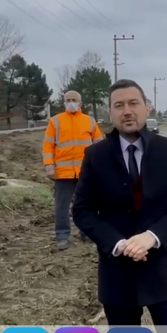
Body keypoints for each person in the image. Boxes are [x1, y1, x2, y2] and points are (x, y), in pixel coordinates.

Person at [72, 79, 167, 333]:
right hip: (117, 273)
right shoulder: (96, 156)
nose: (127, 111)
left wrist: (152, 237)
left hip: (162, 270)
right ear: (110, 113)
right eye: (119, 105)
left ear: (146, 107)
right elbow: (82, 210)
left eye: (133, 103)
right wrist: (119, 244)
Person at [41, 90, 103, 250]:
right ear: (64, 102)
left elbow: (100, 147)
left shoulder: (89, 122)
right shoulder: (55, 122)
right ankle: (62, 236)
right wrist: (49, 167)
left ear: (80, 103)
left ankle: (87, 233)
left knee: (87, 205)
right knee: (61, 206)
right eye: (68, 100)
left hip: (86, 173)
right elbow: (48, 146)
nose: (71, 103)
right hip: (63, 174)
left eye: (74, 100)